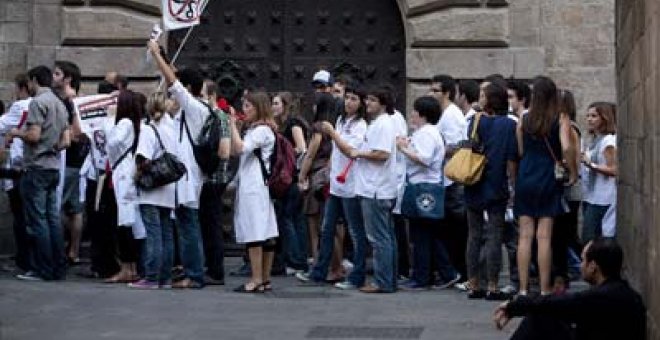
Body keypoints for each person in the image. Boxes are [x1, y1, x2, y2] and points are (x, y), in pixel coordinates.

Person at [494, 238, 646, 340]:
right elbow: (559, 304)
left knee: (540, 318)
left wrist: (514, 305)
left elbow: (559, 303)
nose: (581, 265)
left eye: (583, 260)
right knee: (545, 315)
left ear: (593, 267)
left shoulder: (600, 297)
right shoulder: (628, 295)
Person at [148, 39, 206, 289]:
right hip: (186, 175)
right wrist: (162, 54)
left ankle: (195, 275)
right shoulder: (191, 108)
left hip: (189, 176)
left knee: (189, 225)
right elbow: (176, 80)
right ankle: (189, 272)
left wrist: (155, 55)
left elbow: (174, 83)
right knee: (185, 224)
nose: (172, 94)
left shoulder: (194, 108)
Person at [297, 84, 368, 289]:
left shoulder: (360, 125)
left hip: (351, 186)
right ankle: (319, 271)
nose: (349, 102)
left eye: (354, 99)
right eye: (347, 98)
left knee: (355, 231)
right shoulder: (340, 120)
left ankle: (357, 275)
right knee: (326, 229)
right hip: (336, 184)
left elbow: (349, 150)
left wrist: (333, 134)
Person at [515, 76, 577, 295]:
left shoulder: (524, 118)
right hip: (547, 176)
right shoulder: (560, 117)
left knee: (524, 236)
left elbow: (520, 150)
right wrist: (572, 170)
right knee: (544, 237)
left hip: (526, 175)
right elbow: (567, 147)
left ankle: (522, 289)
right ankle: (544, 289)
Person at [10, 65, 71, 281]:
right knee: (52, 218)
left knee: (38, 220)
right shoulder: (60, 104)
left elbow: (34, 136)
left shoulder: (38, 102)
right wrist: (52, 147)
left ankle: (42, 268)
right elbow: (66, 141)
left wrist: (17, 132)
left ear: (35, 80)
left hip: (36, 167)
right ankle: (58, 266)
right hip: (53, 168)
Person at [337, 85, 398, 293]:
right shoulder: (379, 124)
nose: (367, 103)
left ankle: (383, 281)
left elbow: (382, 154)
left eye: (372, 100)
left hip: (375, 189)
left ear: (383, 104)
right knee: (385, 237)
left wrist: (359, 153)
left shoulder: (382, 125)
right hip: (375, 187)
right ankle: (388, 279)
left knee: (379, 238)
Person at [463, 82, 518, 300]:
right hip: (496, 184)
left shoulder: (475, 121)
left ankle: (474, 284)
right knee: (495, 234)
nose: (481, 98)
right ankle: (493, 286)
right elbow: (512, 159)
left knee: (474, 234)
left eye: (484, 95)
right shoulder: (509, 125)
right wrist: (513, 184)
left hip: (474, 181)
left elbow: (471, 146)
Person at [228, 91, 279, 293]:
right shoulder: (257, 130)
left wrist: (231, 124)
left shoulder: (261, 131)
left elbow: (240, 149)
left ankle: (257, 278)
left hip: (254, 185)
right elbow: (236, 150)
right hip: (256, 184)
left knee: (255, 231)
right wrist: (238, 129)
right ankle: (264, 278)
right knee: (265, 230)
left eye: (248, 106)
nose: (244, 110)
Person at [395, 96, 447, 289]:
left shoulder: (426, 133)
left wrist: (403, 149)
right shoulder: (426, 132)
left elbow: (423, 159)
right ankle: (445, 272)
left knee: (421, 235)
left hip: (423, 187)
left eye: (415, 111)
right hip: (424, 185)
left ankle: (421, 276)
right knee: (427, 234)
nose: (412, 114)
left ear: (423, 114)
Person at [128, 92, 177, 289]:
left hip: (152, 188)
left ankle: (151, 277)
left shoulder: (149, 130)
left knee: (153, 234)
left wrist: (136, 176)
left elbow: (143, 158)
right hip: (169, 186)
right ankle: (165, 277)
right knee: (166, 234)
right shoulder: (172, 128)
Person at [103, 90, 143, 283]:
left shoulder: (125, 123)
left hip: (123, 176)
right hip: (122, 174)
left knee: (124, 224)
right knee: (126, 223)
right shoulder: (132, 123)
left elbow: (113, 141)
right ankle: (130, 267)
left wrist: (109, 119)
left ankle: (128, 268)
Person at [429, 74, 465, 285]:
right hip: (446, 179)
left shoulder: (451, 115)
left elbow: (456, 145)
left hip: (452, 180)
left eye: (436, 91)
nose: (431, 94)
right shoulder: (444, 114)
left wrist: (433, 150)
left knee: (454, 230)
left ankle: (457, 271)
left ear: (447, 93)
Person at [198, 79, 232, 285]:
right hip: (210, 178)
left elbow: (224, 151)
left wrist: (207, 160)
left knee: (212, 225)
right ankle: (210, 266)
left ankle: (215, 270)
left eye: (202, 95)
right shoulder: (210, 117)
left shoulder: (219, 117)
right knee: (208, 224)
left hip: (214, 178)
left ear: (211, 96)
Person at [272, 91, 309, 274]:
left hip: (291, 179)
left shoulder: (293, 124)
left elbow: (302, 148)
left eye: (277, 103)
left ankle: (295, 260)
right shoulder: (282, 125)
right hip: (291, 178)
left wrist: (285, 158)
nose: (273, 107)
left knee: (288, 219)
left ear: (285, 105)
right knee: (296, 219)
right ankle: (299, 257)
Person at [0, 73, 33, 272]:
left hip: (18, 167)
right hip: (31, 166)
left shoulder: (20, 107)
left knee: (21, 217)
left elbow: (3, 125)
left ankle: (25, 260)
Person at [552, 89, 583, 292]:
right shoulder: (563, 127)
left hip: (569, 188)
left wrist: (570, 172)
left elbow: (573, 155)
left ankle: (563, 275)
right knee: (564, 235)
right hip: (567, 187)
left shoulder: (569, 128)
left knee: (565, 235)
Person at [581, 102, 617, 242]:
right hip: (592, 196)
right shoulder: (595, 140)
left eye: (594, 116)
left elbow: (614, 170)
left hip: (603, 198)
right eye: (588, 116)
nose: (589, 119)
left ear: (604, 118)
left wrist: (591, 165)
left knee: (590, 239)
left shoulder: (608, 141)